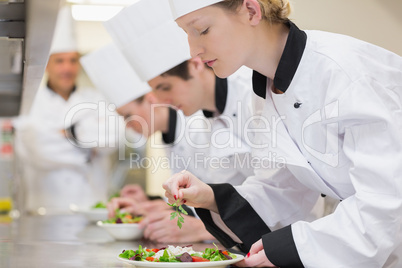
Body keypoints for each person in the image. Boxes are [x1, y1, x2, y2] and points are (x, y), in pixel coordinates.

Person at [162, 0, 402, 267]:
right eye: (187, 34)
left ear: (251, 11)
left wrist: (293, 248)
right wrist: (210, 197)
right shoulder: (266, 91)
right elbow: (286, 186)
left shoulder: (344, 72)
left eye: (202, 30)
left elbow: (387, 200)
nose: (193, 50)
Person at [13, 6, 119, 214]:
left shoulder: (97, 99)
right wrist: (89, 149)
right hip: (45, 212)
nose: (67, 68)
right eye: (60, 61)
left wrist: (64, 135)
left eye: (73, 60)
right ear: (48, 65)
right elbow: (37, 149)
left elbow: (114, 139)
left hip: (93, 208)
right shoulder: (29, 104)